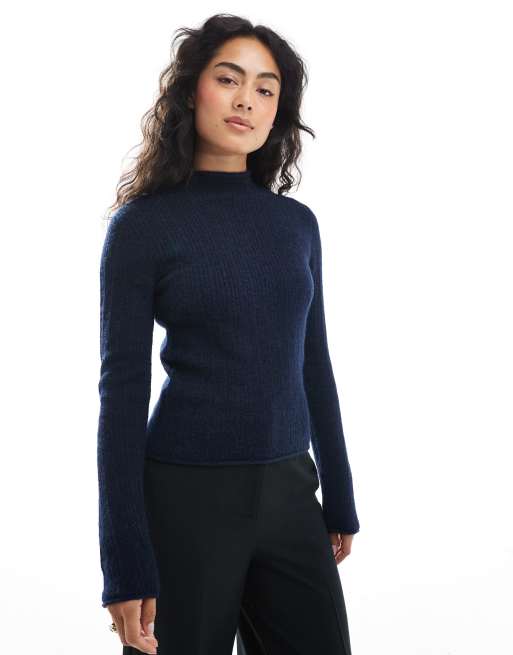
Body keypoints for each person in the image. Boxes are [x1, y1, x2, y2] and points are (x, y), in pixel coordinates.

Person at [97, 13, 360, 655]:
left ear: (277, 113)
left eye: (266, 89)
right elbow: (121, 394)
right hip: (184, 499)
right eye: (228, 78)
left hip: (290, 491)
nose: (246, 99)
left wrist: (340, 496)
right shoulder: (141, 227)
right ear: (192, 91)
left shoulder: (296, 225)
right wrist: (124, 563)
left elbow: (313, 361)